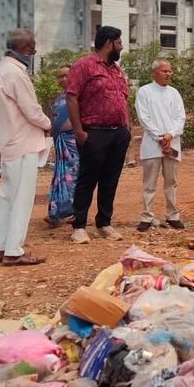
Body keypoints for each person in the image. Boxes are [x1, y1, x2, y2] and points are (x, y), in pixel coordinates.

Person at [0, 29, 52, 266]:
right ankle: (14, 251)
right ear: (25, 49)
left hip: (8, 142)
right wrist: (49, 125)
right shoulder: (15, 73)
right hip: (23, 142)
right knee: (22, 200)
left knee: (8, 197)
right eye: (33, 50)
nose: (33, 54)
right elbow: (31, 110)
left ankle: (1, 246)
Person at [66, 25, 130, 244]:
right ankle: (79, 226)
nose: (121, 47)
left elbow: (123, 99)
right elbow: (71, 97)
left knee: (110, 180)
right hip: (94, 133)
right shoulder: (84, 65)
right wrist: (79, 131)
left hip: (118, 133)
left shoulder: (116, 70)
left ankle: (104, 223)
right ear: (109, 43)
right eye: (119, 43)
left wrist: (127, 128)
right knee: (87, 179)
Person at [134, 58, 185, 232]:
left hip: (172, 142)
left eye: (170, 71)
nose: (168, 74)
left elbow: (180, 117)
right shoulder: (144, 92)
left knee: (172, 181)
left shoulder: (174, 93)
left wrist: (170, 135)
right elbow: (144, 118)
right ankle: (147, 216)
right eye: (164, 71)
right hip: (152, 144)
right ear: (154, 72)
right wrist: (159, 137)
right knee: (149, 183)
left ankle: (173, 215)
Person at [46, 66, 78, 228]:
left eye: (67, 75)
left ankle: (72, 211)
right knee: (59, 178)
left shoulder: (80, 95)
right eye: (60, 76)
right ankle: (56, 211)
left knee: (72, 177)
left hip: (73, 143)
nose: (63, 79)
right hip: (60, 142)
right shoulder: (59, 99)